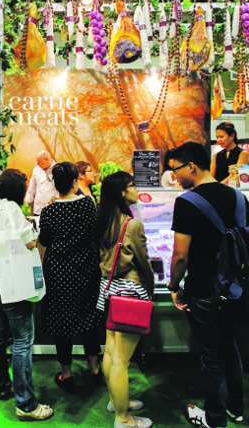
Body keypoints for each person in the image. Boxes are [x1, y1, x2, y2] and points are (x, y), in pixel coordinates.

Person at [165, 142, 249, 428]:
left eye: (176, 169)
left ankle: (214, 419)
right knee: (230, 347)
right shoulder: (239, 198)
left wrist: (174, 285)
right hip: (236, 288)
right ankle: (235, 409)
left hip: (204, 289)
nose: (174, 176)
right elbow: (247, 242)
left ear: (191, 166)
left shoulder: (187, 202)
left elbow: (180, 255)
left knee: (212, 356)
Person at [0, 169, 54, 421]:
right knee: (22, 341)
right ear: (17, 190)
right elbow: (29, 242)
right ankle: (26, 404)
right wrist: (32, 232)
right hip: (14, 284)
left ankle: (1, 387)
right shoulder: (10, 209)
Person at [95, 171, 154, 428]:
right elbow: (144, 263)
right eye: (132, 185)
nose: (136, 189)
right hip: (130, 292)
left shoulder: (103, 218)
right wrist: (151, 287)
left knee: (110, 351)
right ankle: (123, 419)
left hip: (108, 291)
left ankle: (116, 401)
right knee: (122, 360)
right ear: (121, 192)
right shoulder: (132, 224)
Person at [38, 162, 103, 391]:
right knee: (89, 320)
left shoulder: (49, 211)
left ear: (55, 185)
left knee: (62, 324)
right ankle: (94, 369)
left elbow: (44, 241)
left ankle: (66, 375)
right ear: (75, 181)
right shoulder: (89, 205)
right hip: (86, 271)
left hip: (58, 274)